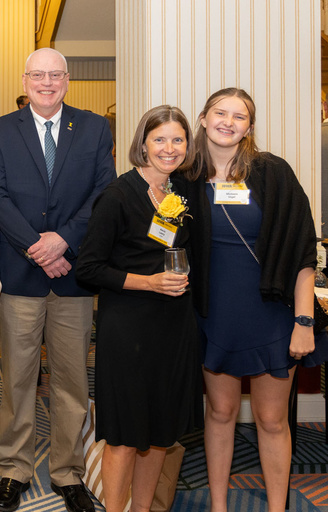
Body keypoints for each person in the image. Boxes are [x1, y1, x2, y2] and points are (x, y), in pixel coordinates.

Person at [0, 47, 115, 512]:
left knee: (72, 380)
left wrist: (63, 241)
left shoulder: (96, 127)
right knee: (17, 379)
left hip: (74, 274)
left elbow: (103, 192)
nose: (46, 82)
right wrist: (38, 249)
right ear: (24, 80)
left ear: (67, 79)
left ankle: (68, 471)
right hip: (21, 273)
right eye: (37, 75)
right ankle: (14, 469)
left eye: (54, 75)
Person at [187, 88, 317, 512]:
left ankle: (277, 508)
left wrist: (304, 321)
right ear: (203, 118)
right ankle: (219, 507)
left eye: (239, 116)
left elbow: (301, 252)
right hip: (213, 316)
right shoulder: (184, 177)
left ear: (250, 127)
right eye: (220, 113)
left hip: (271, 315)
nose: (228, 121)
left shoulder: (272, 172)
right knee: (220, 415)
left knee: (272, 420)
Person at [76, 105, 203, 512]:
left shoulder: (181, 193)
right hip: (128, 330)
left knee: (161, 435)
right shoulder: (117, 196)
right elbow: (89, 268)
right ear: (142, 144)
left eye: (177, 139)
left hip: (173, 328)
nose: (169, 148)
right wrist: (148, 282)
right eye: (160, 139)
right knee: (126, 436)